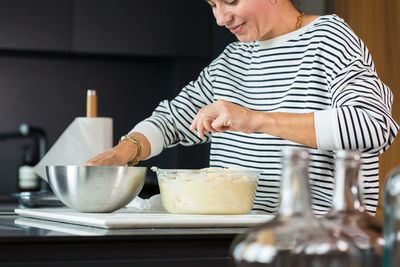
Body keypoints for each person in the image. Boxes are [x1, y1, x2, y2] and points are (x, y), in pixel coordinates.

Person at [86, 0, 399, 215]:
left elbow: (372, 126)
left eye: (231, 1)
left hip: (314, 243)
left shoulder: (329, 38)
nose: (222, 18)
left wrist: (256, 120)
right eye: (213, 5)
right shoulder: (232, 60)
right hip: (240, 239)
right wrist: (124, 151)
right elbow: (173, 118)